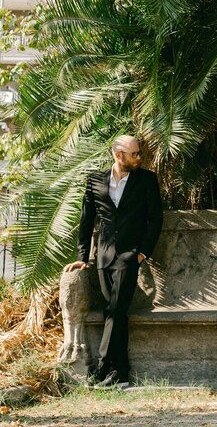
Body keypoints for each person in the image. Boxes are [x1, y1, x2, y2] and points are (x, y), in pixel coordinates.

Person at [64, 134, 164, 387]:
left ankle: (102, 366)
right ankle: (120, 372)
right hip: (103, 256)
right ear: (118, 155)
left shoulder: (147, 180)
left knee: (115, 309)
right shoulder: (95, 181)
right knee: (116, 312)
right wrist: (82, 258)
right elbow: (86, 222)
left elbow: (156, 220)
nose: (139, 157)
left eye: (139, 153)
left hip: (130, 256)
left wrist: (142, 253)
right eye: (134, 154)